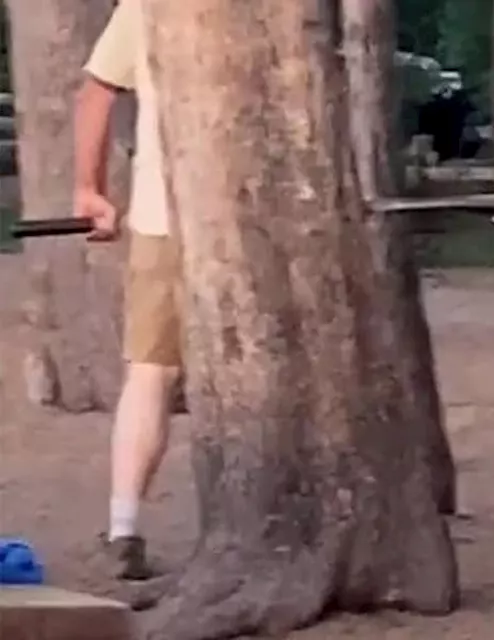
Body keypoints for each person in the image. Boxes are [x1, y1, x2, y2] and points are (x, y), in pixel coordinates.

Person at [74, 0, 179, 581]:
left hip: (250, 224)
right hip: (170, 218)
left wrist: (88, 188)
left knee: (151, 372)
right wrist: (88, 190)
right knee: (152, 371)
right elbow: (99, 86)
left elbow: (97, 88)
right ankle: (124, 529)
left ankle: (124, 528)